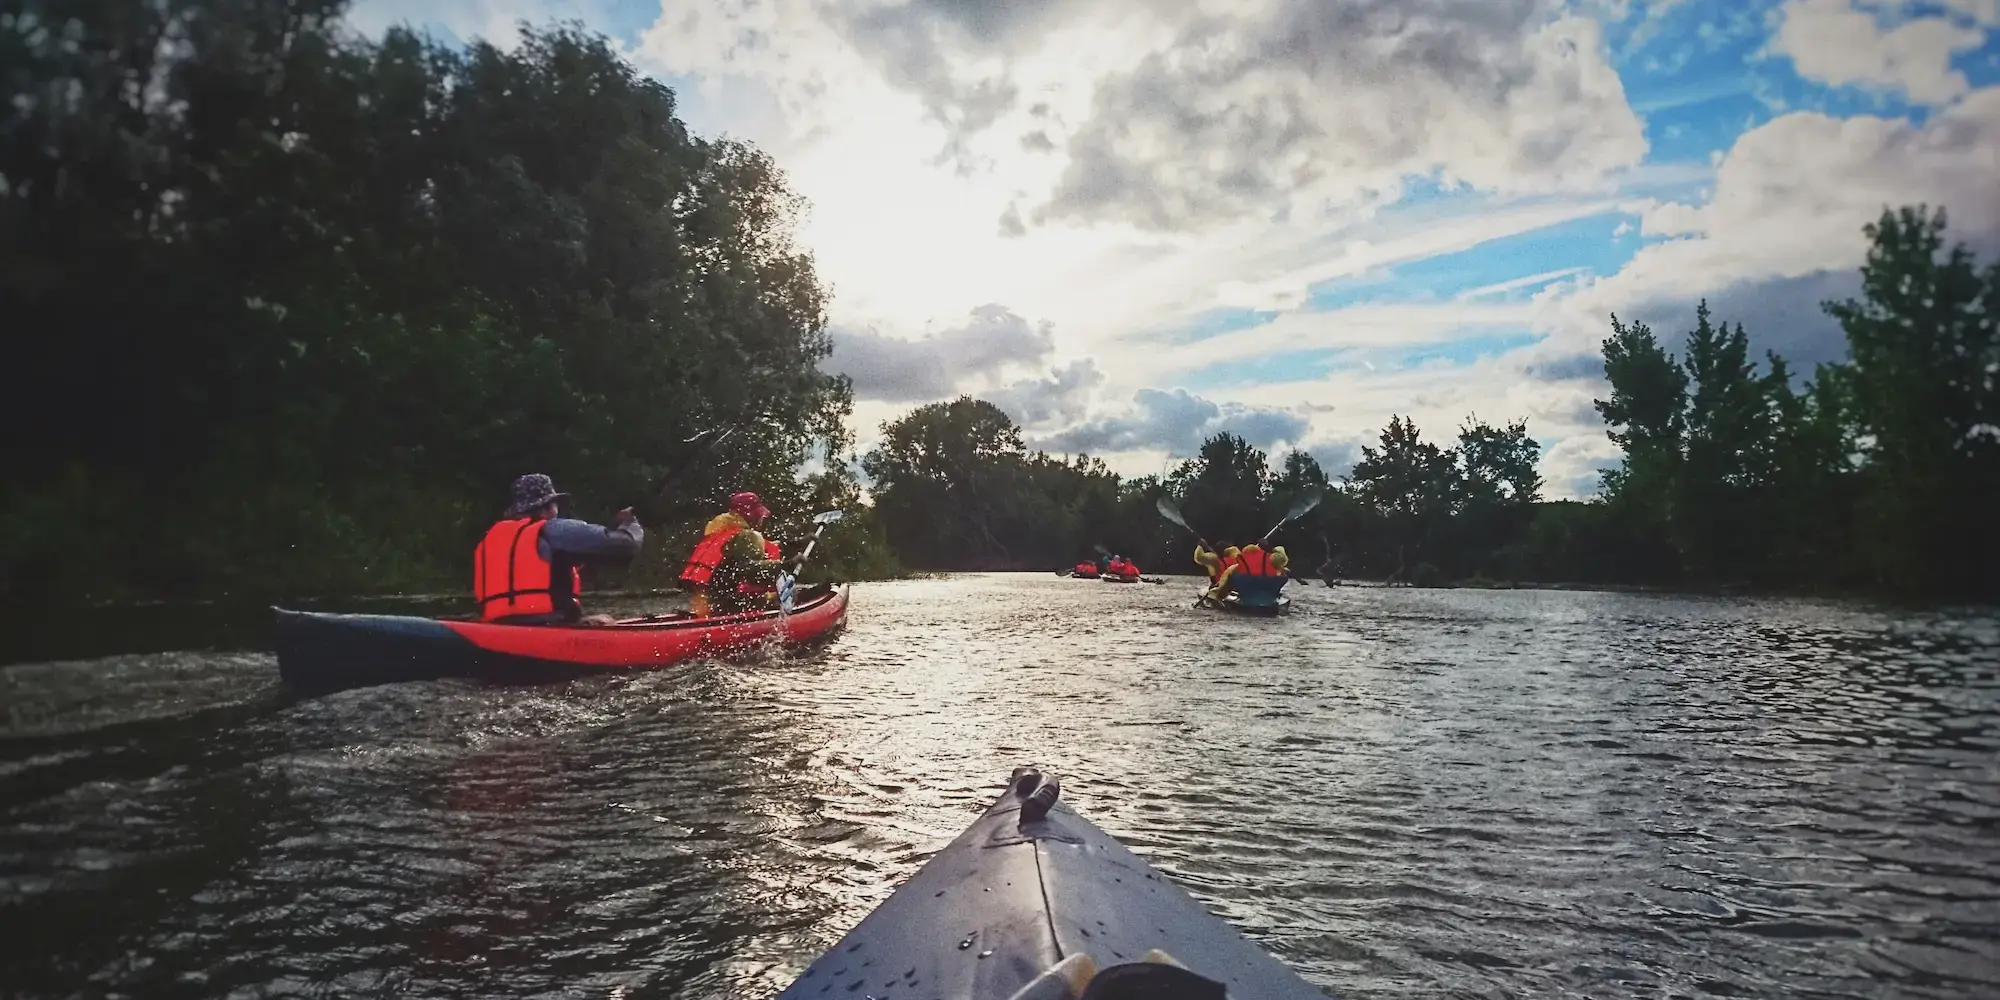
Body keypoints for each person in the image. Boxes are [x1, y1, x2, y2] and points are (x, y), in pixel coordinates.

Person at [474, 473, 643, 626]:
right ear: (548, 508)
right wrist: (630, 523)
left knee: (599, 620)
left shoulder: (490, 538)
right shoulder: (554, 530)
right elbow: (627, 546)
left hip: (498, 626)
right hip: (551, 624)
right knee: (606, 620)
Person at [680, 491, 784, 617]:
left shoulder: (722, 532)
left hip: (707, 605)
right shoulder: (747, 536)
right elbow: (749, 570)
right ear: (750, 515)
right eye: (759, 514)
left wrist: (794, 544)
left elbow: (766, 546)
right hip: (728, 606)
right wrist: (784, 565)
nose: (762, 518)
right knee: (774, 597)